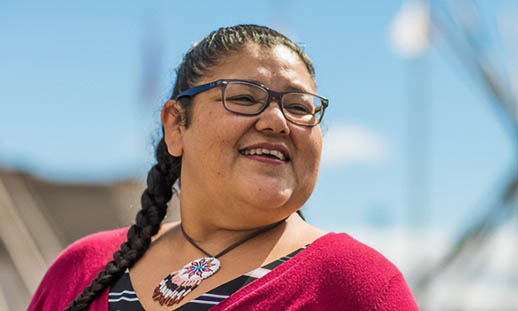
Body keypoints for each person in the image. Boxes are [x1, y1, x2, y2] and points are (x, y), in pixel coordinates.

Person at [28, 24, 419, 311]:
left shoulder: (358, 285)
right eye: (245, 98)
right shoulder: (84, 268)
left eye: (299, 107)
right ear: (176, 126)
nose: (277, 121)